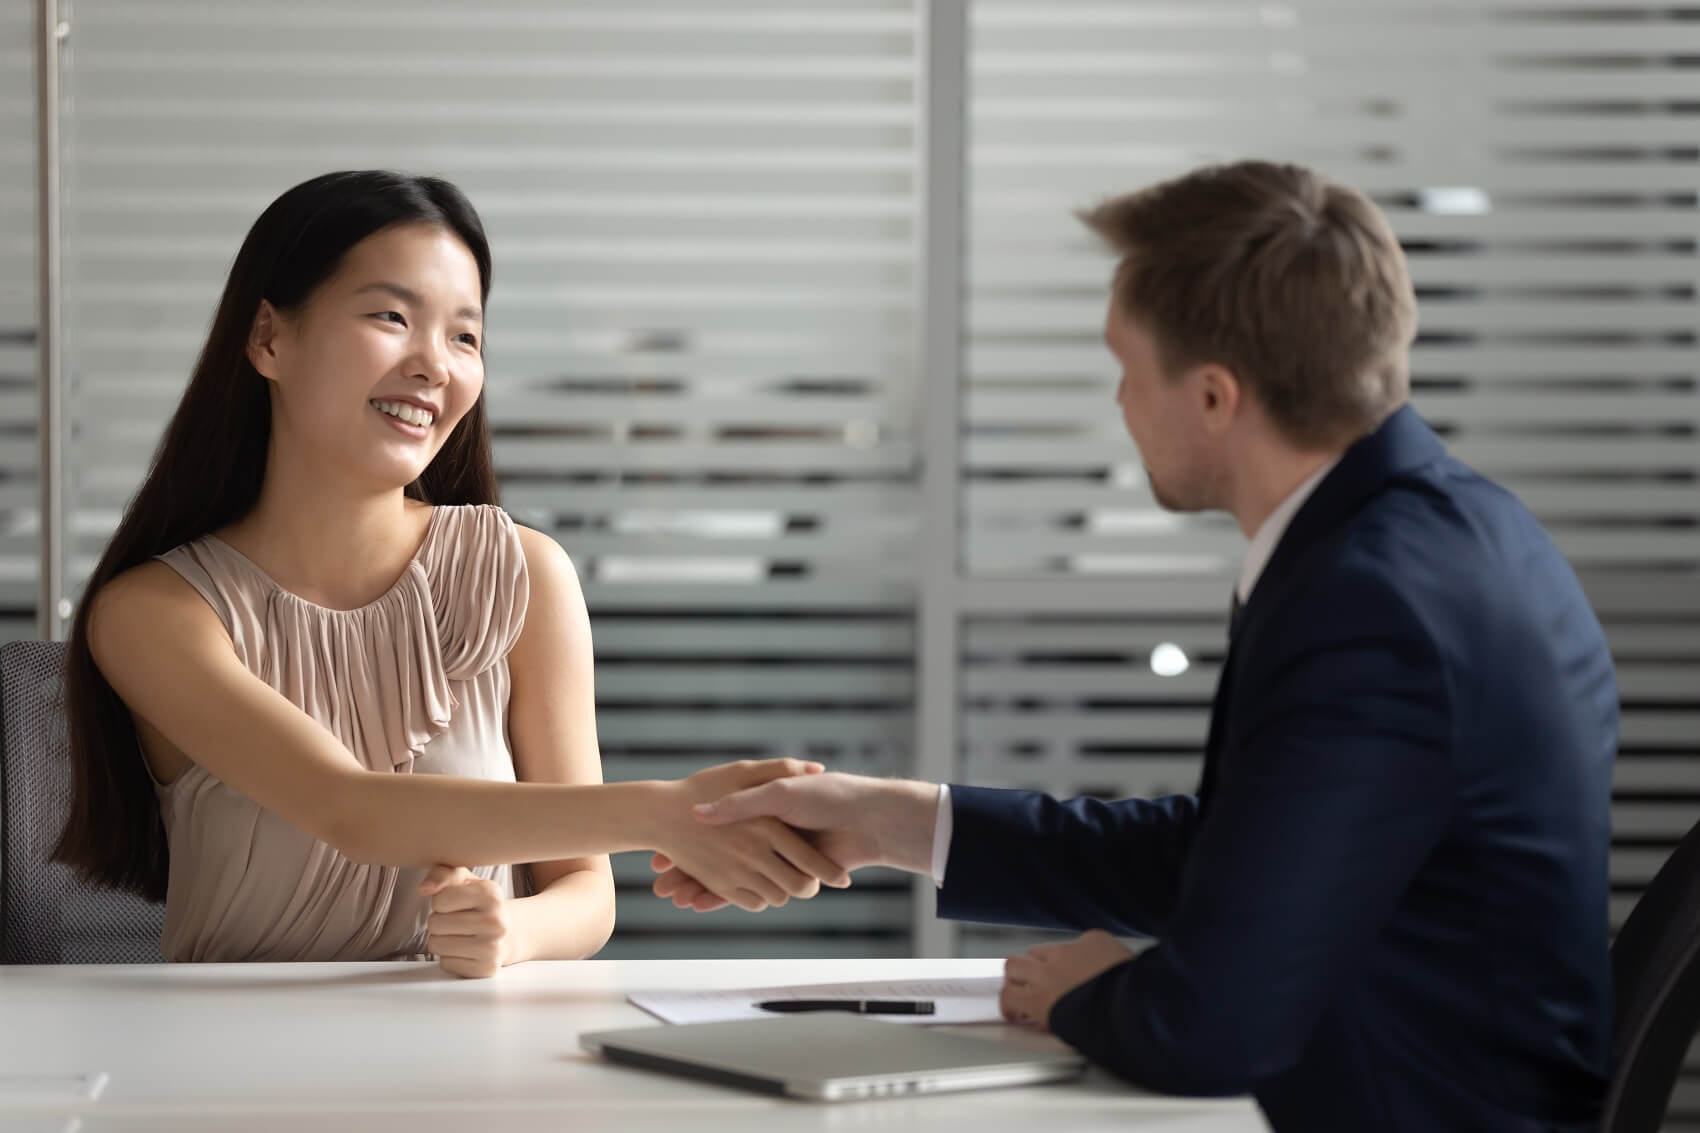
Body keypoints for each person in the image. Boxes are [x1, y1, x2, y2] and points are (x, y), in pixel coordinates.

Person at [651, 161, 1618, 1131]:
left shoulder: (1369, 603)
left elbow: (1206, 1027)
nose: (1117, 403)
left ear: (1210, 396)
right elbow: (1237, 852)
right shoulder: (1445, 532)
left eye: (1126, 367)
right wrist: (896, 822)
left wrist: (1083, 991)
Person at [53, 170, 848, 978]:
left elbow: (584, 890)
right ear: (267, 339)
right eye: (392, 317)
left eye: (465, 336)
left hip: (466, 1065)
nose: (434, 365)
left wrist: (517, 929)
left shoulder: (525, 575)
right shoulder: (155, 611)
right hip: (230, 1076)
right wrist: (667, 811)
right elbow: (349, 806)